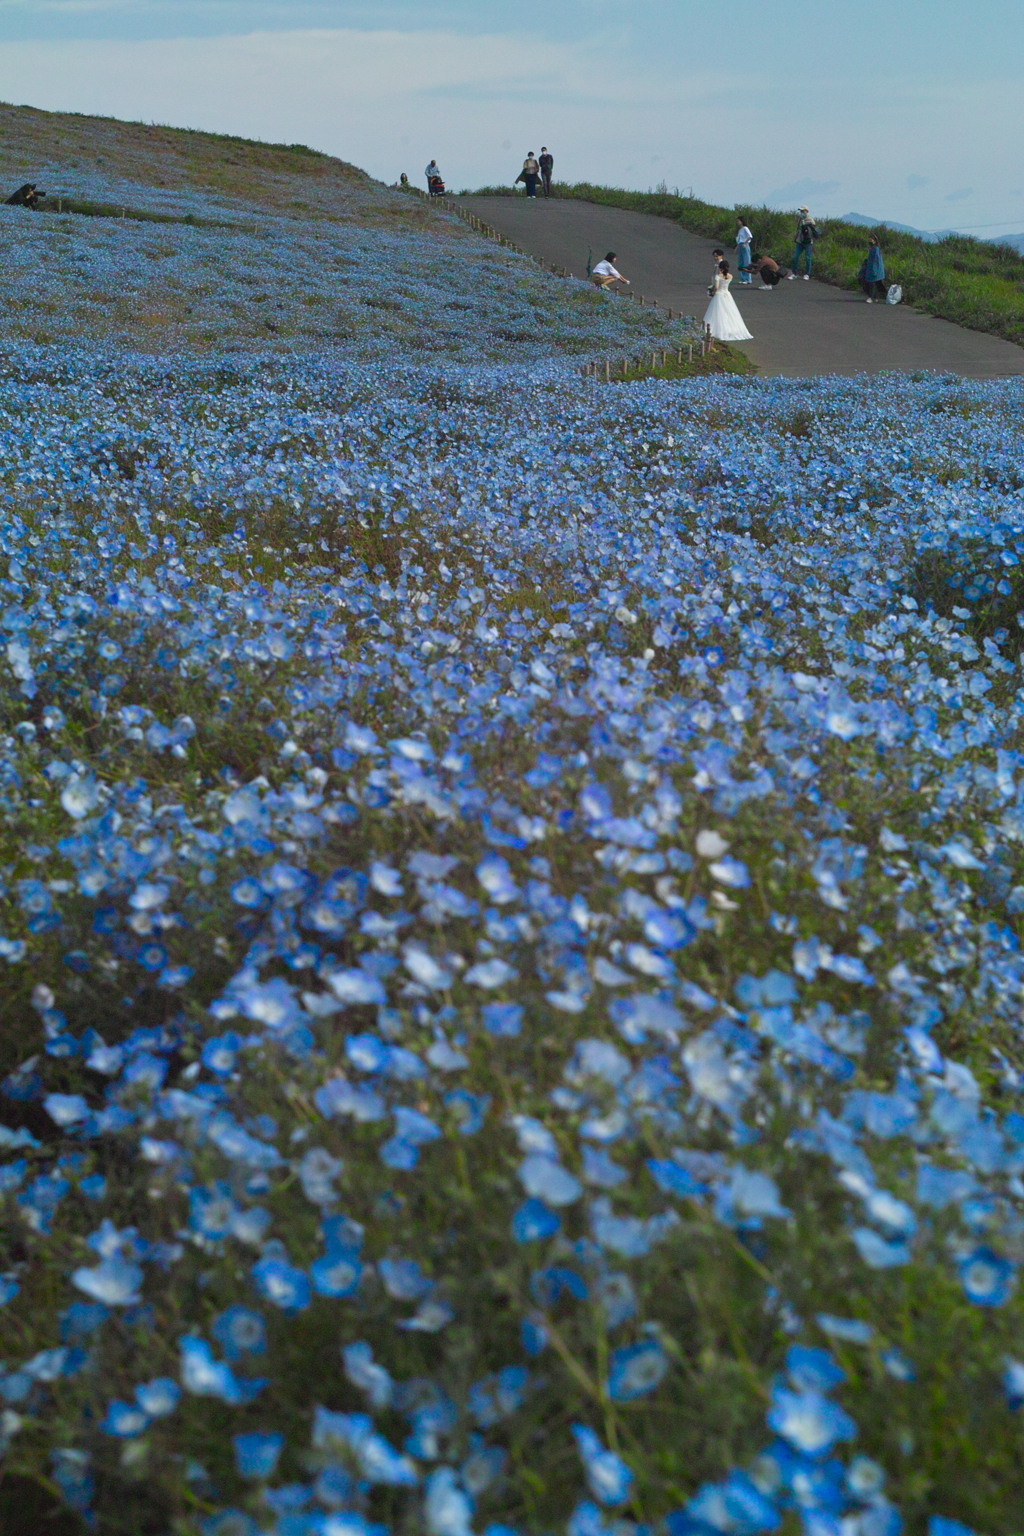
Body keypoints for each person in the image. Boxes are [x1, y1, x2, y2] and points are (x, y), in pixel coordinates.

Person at [703, 259, 753, 342]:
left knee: (718, 312)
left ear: (720, 268)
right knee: (730, 312)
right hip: (727, 294)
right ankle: (732, 329)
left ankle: (717, 329)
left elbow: (716, 287)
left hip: (719, 295)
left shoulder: (718, 276)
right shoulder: (730, 276)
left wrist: (712, 292)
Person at [787, 206, 819, 280]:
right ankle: (794, 273)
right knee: (795, 257)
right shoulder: (800, 220)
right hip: (800, 241)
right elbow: (798, 230)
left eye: (803, 211)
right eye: (801, 211)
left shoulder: (810, 220)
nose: (801, 213)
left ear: (806, 211)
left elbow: (814, 232)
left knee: (808, 258)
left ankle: (807, 274)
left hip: (808, 242)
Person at [858, 235, 886, 302]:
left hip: (874, 270)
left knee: (872, 284)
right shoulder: (873, 249)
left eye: (871, 240)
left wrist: (874, 270)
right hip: (872, 269)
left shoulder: (876, 249)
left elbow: (876, 260)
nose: (870, 241)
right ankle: (875, 298)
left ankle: (871, 297)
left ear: (875, 241)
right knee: (875, 284)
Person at [736, 217, 753, 285]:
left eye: (738, 221)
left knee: (746, 261)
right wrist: (736, 248)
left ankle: (747, 279)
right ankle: (742, 278)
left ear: (742, 221)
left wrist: (745, 243)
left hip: (744, 245)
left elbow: (750, 236)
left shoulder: (745, 228)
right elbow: (739, 239)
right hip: (740, 245)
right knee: (741, 262)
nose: (738, 222)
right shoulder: (740, 230)